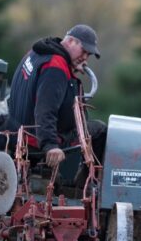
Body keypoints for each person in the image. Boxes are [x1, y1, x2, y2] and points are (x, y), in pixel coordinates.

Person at [6, 24, 106, 168]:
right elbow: (45, 109)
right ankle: (87, 183)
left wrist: (70, 69)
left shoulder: (37, 53)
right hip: (35, 140)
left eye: (88, 55)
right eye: (83, 51)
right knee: (100, 130)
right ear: (71, 41)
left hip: (16, 131)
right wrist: (50, 145)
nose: (85, 58)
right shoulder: (56, 67)